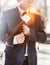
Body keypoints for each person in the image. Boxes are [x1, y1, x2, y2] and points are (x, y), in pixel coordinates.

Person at [1, 0, 46, 65]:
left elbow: (43, 37)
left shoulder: (37, 17)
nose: (30, 1)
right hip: (12, 60)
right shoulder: (7, 14)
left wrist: (30, 32)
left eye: (32, 0)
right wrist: (14, 40)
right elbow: (1, 36)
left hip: (31, 61)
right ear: (19, 1)